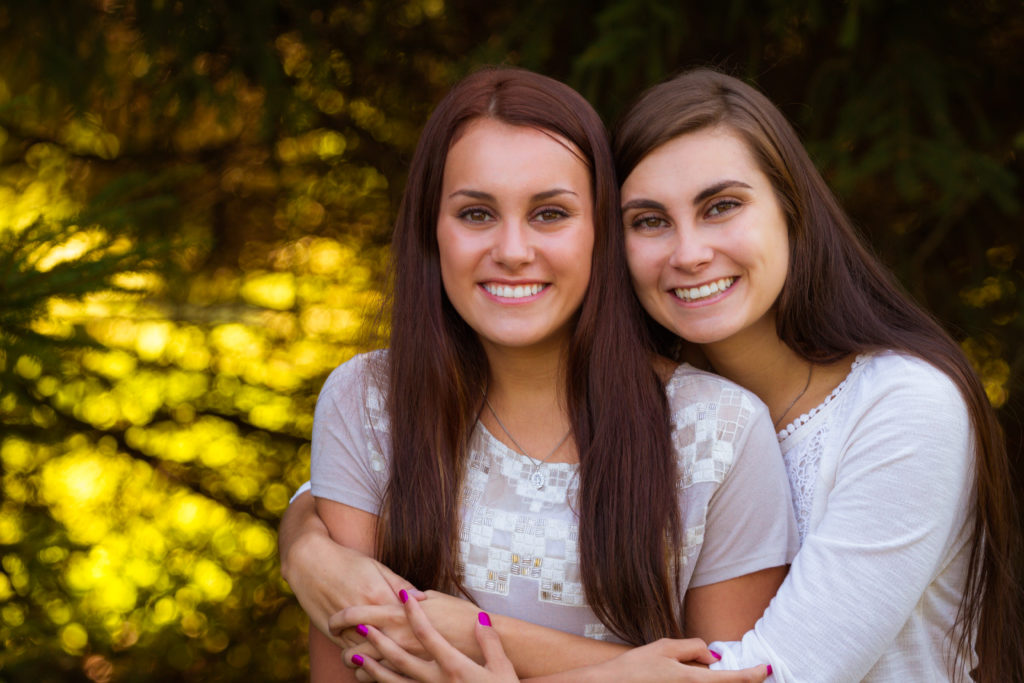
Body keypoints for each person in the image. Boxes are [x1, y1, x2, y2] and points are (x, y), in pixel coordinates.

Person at [299, 66, 794, 681]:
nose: (511, 249)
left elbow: (731, 679)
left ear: (601, 232)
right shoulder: (368, 402)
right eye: (476, 214)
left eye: (550, 214)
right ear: (432, 231)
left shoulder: (716, 430)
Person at [611, 68, 1024, 682]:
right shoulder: (656, 415)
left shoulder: (905, 405)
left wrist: (493, 645)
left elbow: (777, 676)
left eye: (721, 206)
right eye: (649, 221)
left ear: (791, 211)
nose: (689, 253)